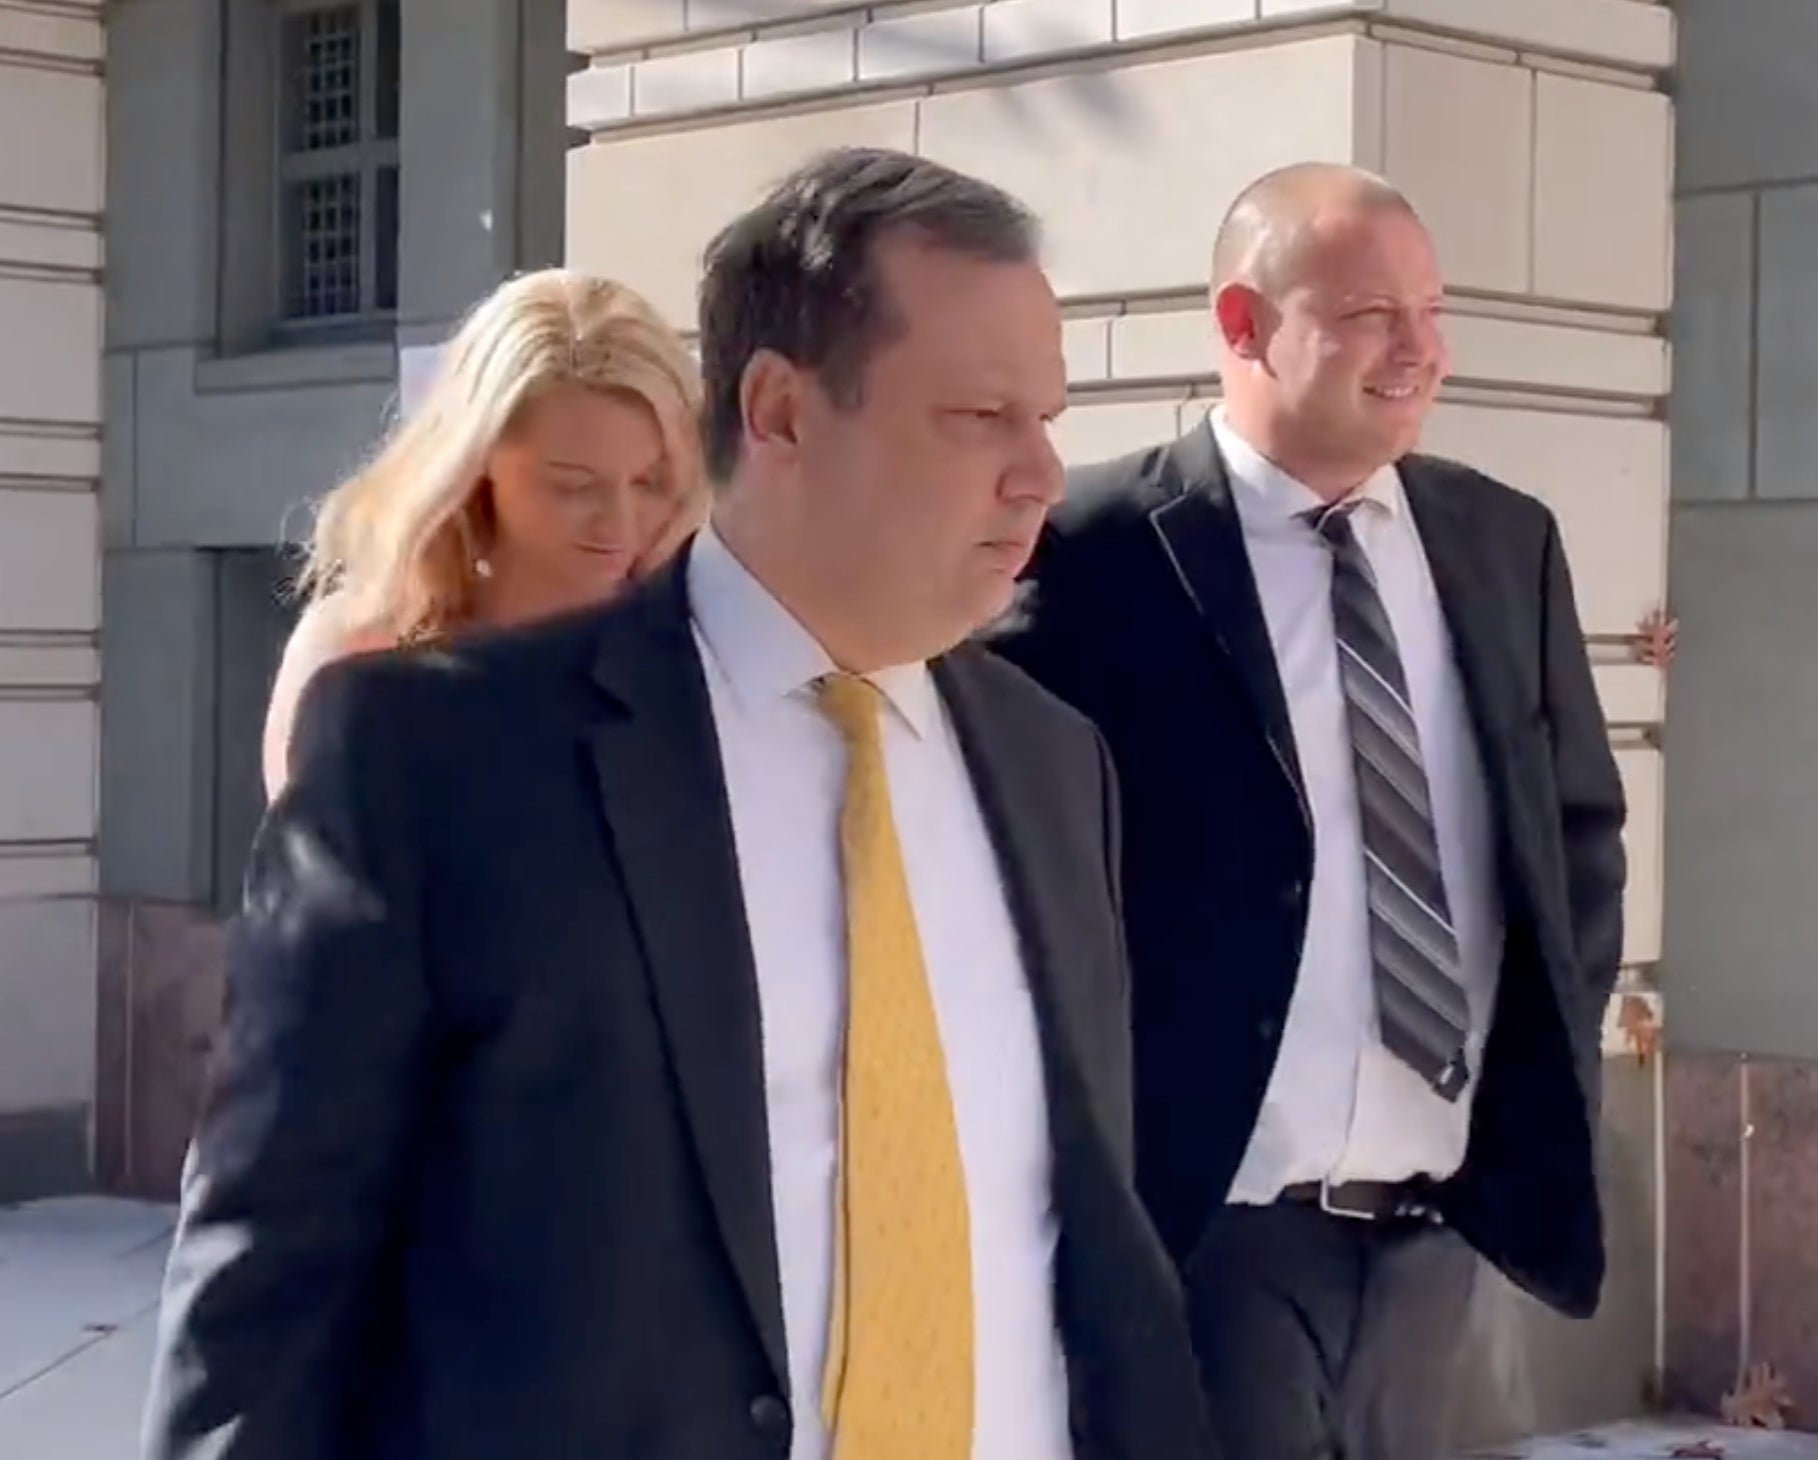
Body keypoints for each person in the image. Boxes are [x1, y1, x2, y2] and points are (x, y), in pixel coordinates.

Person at [140, 147, 1215, 1460]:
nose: (1042, 475)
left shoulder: (1057, 766)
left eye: (1047, 420)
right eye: (981, 417)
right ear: (779, 413)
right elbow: (271, 1288)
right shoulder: (436, 755)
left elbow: (1086, 1249)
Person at [989, 161, 1628, 1460]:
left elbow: (1575, 843)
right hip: (1208, 1229)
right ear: (1243, 324)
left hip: (1439, 1235)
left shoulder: (1505, 542)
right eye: (1371, 315)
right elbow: (1023, 884)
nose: (1422, 350)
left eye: (1432, 311)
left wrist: (1525, 1088)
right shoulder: (1095, 552)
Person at [261, 266, 707, 798]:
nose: (619, 522)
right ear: (475, 463)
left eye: (650, 483)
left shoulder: (700, 658)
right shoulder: (359, 657)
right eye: (572, 485)